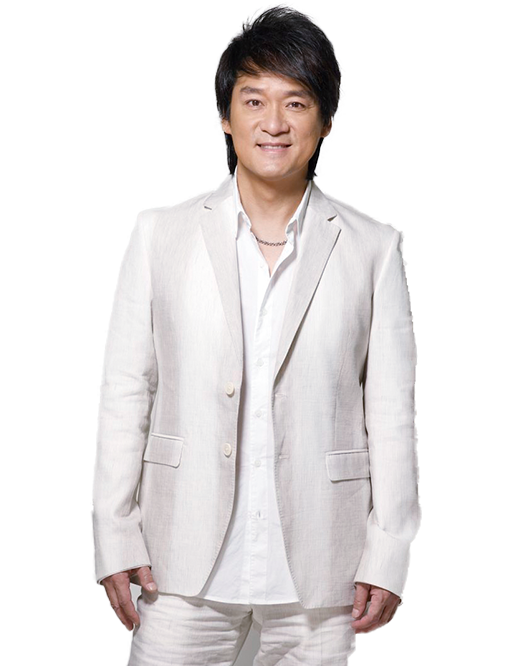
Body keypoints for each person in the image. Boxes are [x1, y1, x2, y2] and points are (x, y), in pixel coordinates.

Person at [91, 4, 422, 664]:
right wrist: (114, 533)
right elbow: (126, 394)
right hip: (179, 560)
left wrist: (389, 550)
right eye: (254, 100)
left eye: (296, 103)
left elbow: (389, 413)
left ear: (325, 121)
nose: (274, 123)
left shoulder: (374, 249)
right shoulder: (160, 235)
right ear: (225, 116)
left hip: (326, 572)